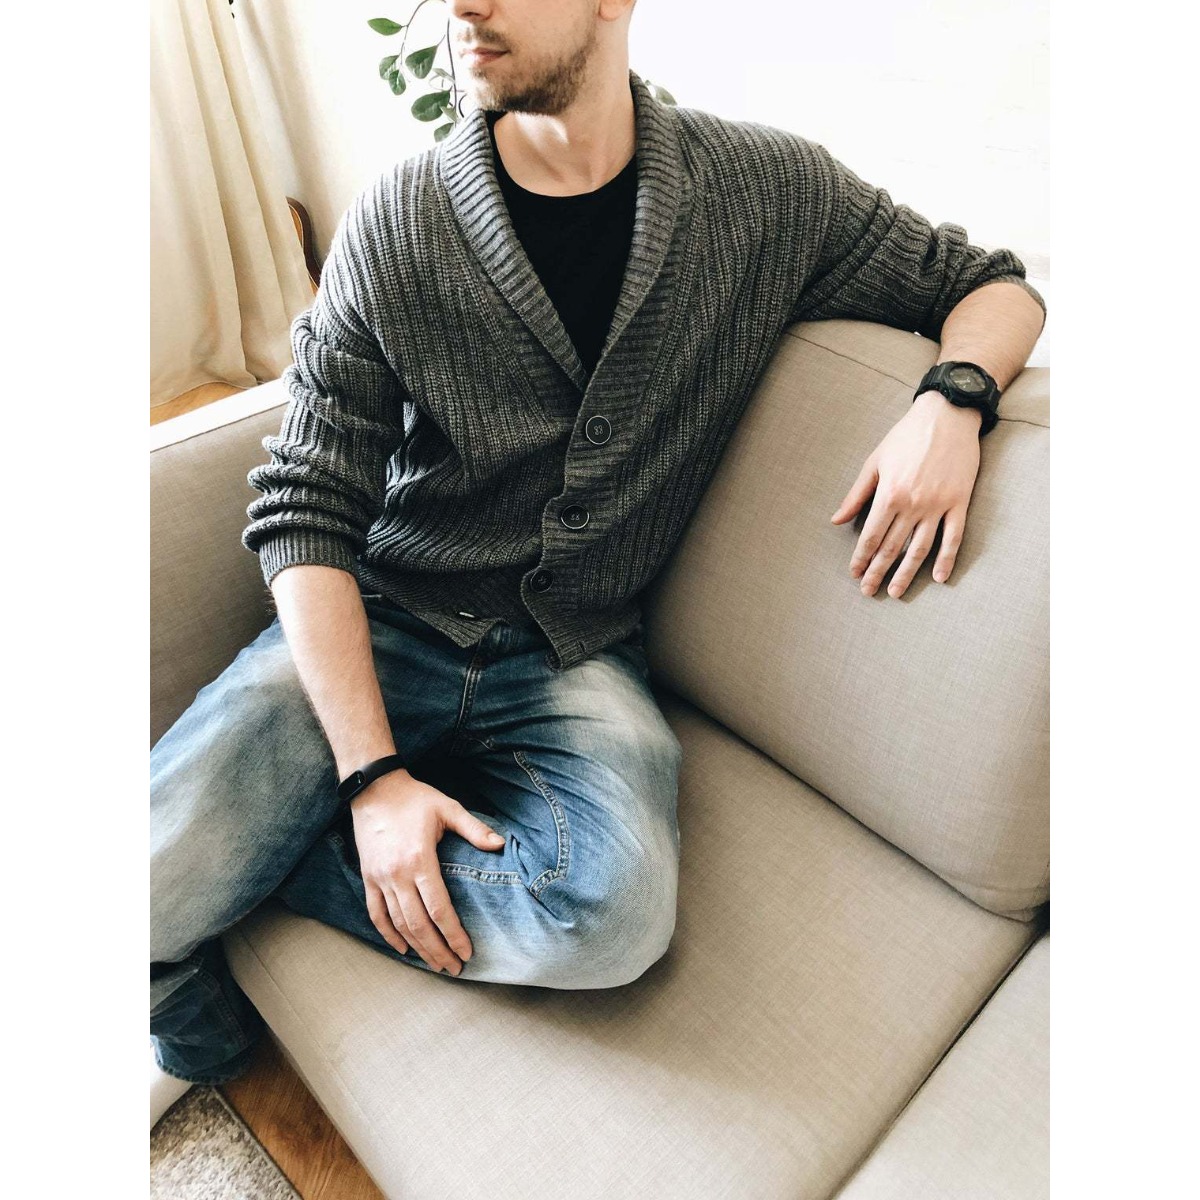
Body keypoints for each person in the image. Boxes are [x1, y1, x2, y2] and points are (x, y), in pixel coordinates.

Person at [150, 0, 1046, 1130]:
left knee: (611, 921)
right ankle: (241, 892)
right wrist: (371, 778)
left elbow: (992, 285)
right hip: (388, 618)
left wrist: (952, 401)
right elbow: (306, 506)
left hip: (574, 653)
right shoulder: (399, 218)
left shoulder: (762, 193)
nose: (461, 6)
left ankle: (260, 867)